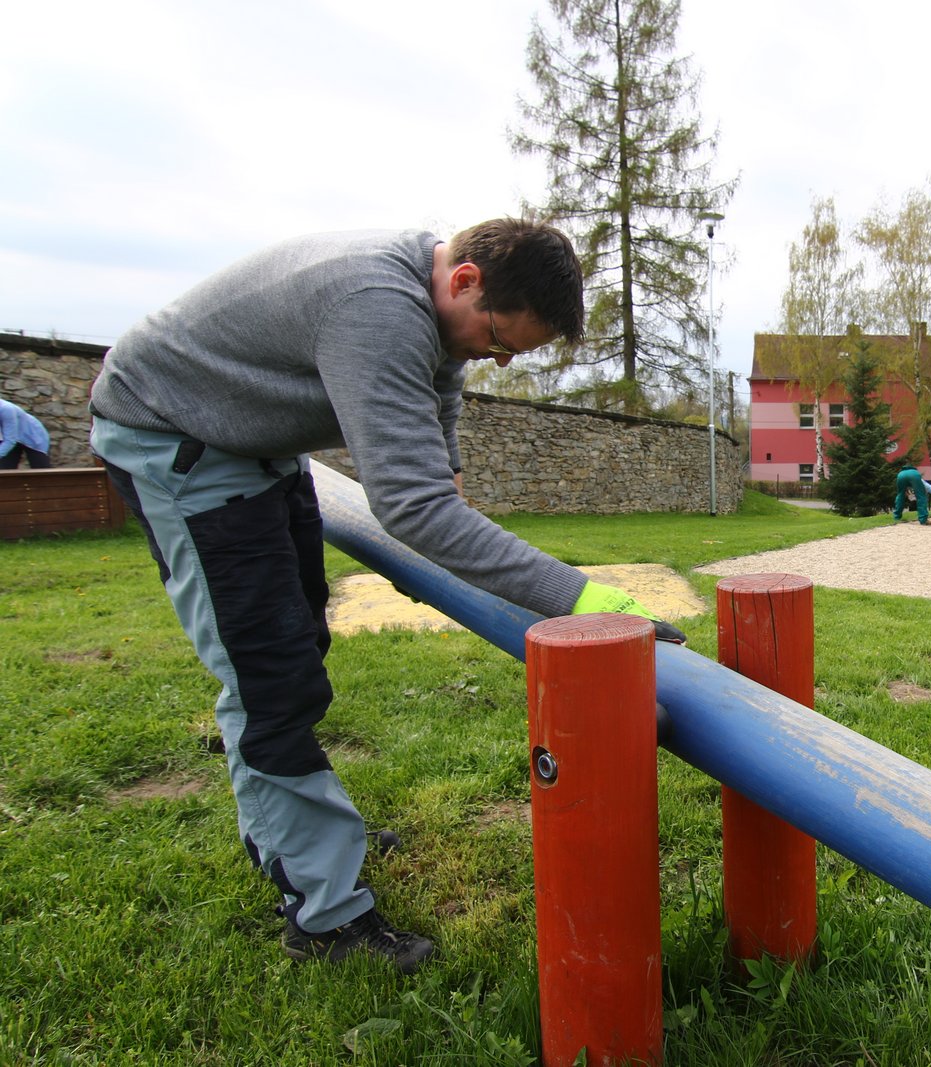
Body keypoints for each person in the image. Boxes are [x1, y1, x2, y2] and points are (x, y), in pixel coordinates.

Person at [89, 218, 685, 975]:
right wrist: (582, 596)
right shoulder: (374, 305)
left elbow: (439, 423)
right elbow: (412, 508)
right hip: (176, 437)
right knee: (267, 675)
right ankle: (324, 916)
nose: (497, 359)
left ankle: (302, 833)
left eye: (512, 354)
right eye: (497, 340)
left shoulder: (439, 304)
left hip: (255, 443)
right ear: (465, 279)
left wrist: (453, 494)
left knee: (299, 641)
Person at [0, 396, 52, 468]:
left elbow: (10, 440)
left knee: (41, 468)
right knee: (4, 470)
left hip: (32, 435)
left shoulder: (6, 409)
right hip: (10, 437)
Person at [892, 460, 930, 524]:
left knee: (900, 495)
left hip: (901, 476)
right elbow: (924, 489)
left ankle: (896, 517)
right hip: (914, 476)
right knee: (920, 496)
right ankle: (923, 519)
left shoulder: (901, 472)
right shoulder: (915, 472)